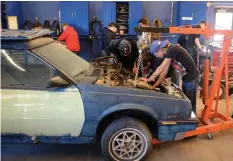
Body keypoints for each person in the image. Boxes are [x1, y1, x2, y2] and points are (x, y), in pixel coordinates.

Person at [142, 40, 199, 113]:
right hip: (186, 78)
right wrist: (154, 86)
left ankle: (192, 122)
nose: (157, 56)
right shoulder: (168, 53)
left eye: (156, 54)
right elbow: (164, 72)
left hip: (192, 78)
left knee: (189, 104)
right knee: (186, 102)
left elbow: (160, 68)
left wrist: (148, 80)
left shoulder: (173, 48)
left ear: (160, 50)